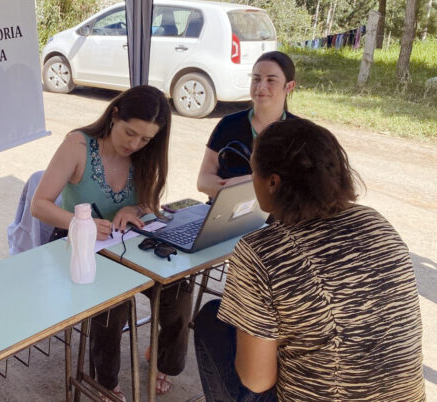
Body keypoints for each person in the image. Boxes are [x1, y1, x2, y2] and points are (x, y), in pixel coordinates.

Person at [193, 118, 425, 401]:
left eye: (253, 172)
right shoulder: (376, 222)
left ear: (273, 182)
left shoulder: (261, 252)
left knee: (210, 318)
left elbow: (256, 379)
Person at [31, 85, 192, 399]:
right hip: (78, 243)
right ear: (114, 115)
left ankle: (165, 362)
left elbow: (150, 203)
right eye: (130, 133)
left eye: (145, 139)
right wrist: (84, 223)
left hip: (125, 241)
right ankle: (103, 380)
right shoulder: (78, 144)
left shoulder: (145, 154)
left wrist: (134, 208)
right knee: (114, 302)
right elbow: (40, 205)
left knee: (179, 287)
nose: (134, 144)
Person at [197, 51, 298, 199]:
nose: (261, 86)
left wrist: (251, 182)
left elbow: (304, 187)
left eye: (271, 80)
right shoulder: (228, 124)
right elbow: (203, 179)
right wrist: (232, 194)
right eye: (256, 79)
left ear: (289, 87)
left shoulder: (300, 132)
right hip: (228, 213)